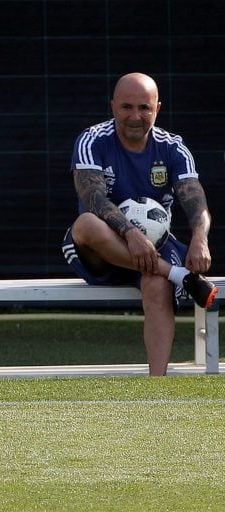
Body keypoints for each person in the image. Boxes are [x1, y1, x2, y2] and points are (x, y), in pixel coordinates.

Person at [61, 72, 216, 377]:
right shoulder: (92, 140)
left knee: (158, 286)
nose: (135, 116)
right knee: (85, 223)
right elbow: (92, 198)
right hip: (102, 248)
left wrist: (200, 237)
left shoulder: (173, 146)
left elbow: (193, 196)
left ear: (157, 108)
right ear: (113, 107)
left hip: (156, 246)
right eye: (126, 107)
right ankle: (179, 275)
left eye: (144, 108)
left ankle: (155, 387)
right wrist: (130, 232)